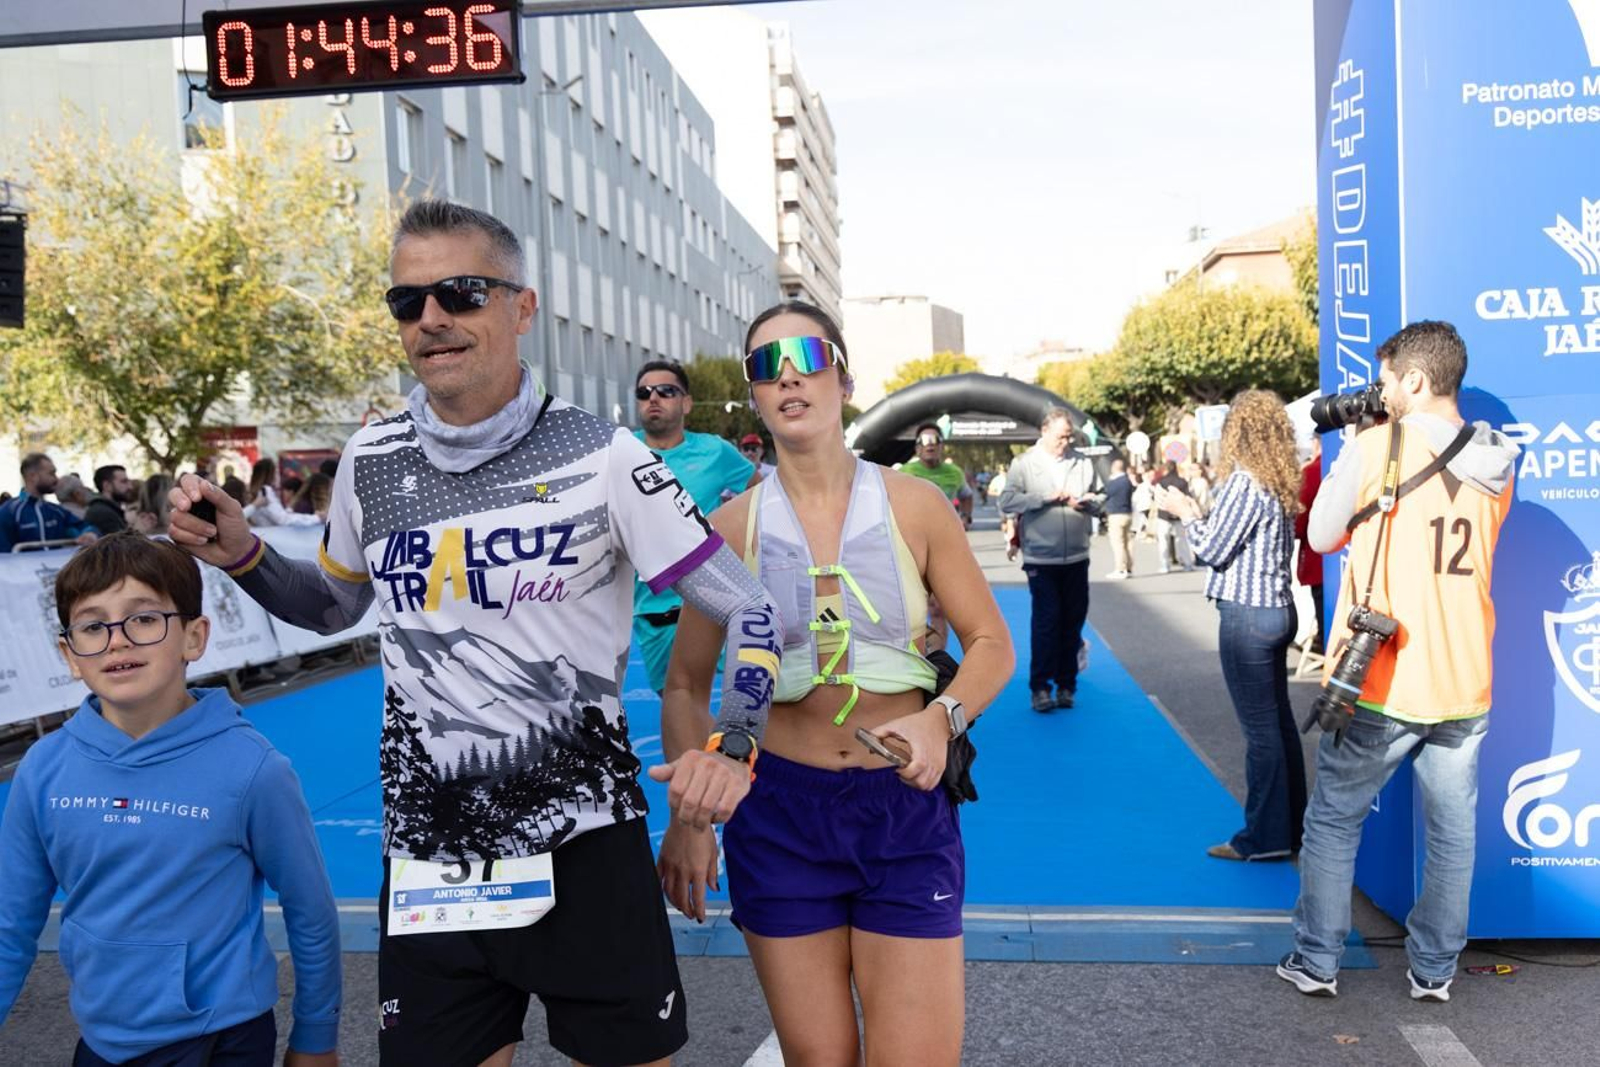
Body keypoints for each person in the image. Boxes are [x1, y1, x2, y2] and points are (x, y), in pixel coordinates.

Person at [167, 199, 780, 1067]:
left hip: (584, 839)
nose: (432, 320)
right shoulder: (371, 458)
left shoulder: (604, 455)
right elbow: (338, 608)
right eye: (407, 302)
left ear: (522, 308)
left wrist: (734, 743)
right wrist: (245, 555)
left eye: (461, 292)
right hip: (432, 852)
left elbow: (749, 605)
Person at [657, 302, 1014, 1067]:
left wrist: (942, 718)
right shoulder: (727, 529)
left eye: (806, 355)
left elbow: (990, 642)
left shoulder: (916, 505)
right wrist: (690, 817)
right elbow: (684, 683)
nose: (787, 373)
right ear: (752, 394)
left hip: (903, 811)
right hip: (779, 812)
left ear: (843, 378)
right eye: (764, 364)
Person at [0, 532, 341, 1066]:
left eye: (143, 619)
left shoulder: (253, 770)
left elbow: (310, 909)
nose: (117, 640)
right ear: (69, 655)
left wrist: (317, 1036)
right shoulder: (43, 771)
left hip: (224, 1040)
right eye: (93, 625)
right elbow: (9, 922)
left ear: (194, 637)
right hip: (103, 1043)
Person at [1278, 321, 1517, 1002]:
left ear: (1413, 380)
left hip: (1383, 674)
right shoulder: (1498, 458)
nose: (1377, 393)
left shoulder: (1379, 444)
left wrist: (1354, 446)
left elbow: (1321, 534)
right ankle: (1435, 969)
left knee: (1332, 817)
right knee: (1453, 831)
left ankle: (1318, 959)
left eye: (1385, 380)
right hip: (1465, 676)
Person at [1157, 392, 1304, 862]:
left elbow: (1211, 549)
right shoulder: (1278, 482)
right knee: (1279, 728)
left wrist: (1187, 515)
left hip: (1248, 616)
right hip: (1276, 611)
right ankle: (1290, 829)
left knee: (1262, 733)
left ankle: (1263, 838)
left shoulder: (1246, 484)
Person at [631, 358, 758, 694]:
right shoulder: (619, 451)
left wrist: (732, 528)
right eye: (644, 393)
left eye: (666, 391)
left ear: (686, 403)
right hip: (651, 612)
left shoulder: (715, 450)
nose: (653, 398)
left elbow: (760, 493)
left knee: (732, 707)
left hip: (712, 606)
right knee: (676, 707)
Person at [1000, 410, 1104, 712]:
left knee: (1072, 621)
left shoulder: (1083, 462)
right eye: (1061, 435)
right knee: (1047, 621)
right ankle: (1041, 688)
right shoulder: (1023, 464)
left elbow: (1102, 499)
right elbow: (1006, 501)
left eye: (1069, 436)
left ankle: (1067, 685)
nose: (1065, 441)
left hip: (1076, 554)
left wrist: (1087, 504)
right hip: (1040, 557)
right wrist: (1045, 497)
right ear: (1044, 431)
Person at [0, 452, 98, 552]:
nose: (56, 479)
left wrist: (89, 534)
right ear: (33, 476)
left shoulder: (56, 510)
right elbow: (3, 556)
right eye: (51, 473)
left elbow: (86, 526)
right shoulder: (9, 512)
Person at [898, 423, 974, 528]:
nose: (930, 444)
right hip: (914, 533)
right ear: (917, 448)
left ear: (941, 446)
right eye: (924, 440)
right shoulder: (903, 472)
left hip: (945, 532)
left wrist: (965, 517)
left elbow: (967, 496)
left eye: (934, 440)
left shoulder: (955, 472)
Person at [1295, 441, 1326, 652]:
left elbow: (1299, 521)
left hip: (1319, 555)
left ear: (1316, 443)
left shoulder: (1313, 471)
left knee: (1325, 614)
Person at [243, 457, 322, 528]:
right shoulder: (266, 491)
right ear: (271, 474)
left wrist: (289, 508)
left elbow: (274, 516)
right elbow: (282, 519)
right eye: (276, 471)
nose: (277, 475)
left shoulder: (255, 492)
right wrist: (316, 518)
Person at [1154, 460, 1194, 572]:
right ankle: (1187, 563)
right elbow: (1187, 497)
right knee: (1182, 540)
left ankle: (1165, 565)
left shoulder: (1162, 482)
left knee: (1163, 541)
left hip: (1164, 515)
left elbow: (1157, 498)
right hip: (1179, 515)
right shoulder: (1182, 482)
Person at [1102, 457, 1135, 579]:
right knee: (1128, 543)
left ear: (1114, 468)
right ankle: (1129, 567)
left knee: (1118, 544)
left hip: (1116, 514)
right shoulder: (1127, 481)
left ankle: (1120, 569)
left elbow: (1107, 493)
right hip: (1127, 513)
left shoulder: (1114, 482)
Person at [86, 464, 137, 535]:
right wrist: (139, 528)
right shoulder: (101, 513)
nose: (130, 487)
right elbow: (121, 543)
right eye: (124, 482)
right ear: (106, 486)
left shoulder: (110, 509)